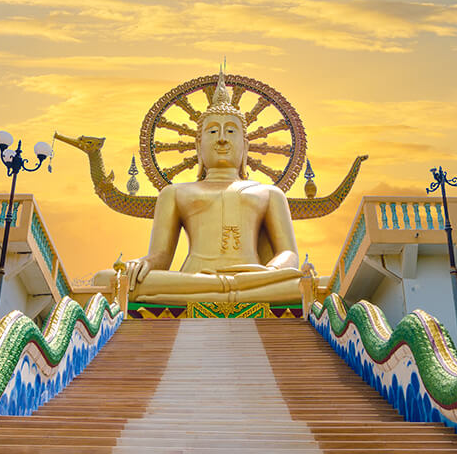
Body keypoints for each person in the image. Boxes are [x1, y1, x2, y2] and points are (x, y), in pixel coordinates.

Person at [92, 71, 302, 304]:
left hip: (254, 277)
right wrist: (143, 264)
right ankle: (229, 289)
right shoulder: (175, 193)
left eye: (231, 131)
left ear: (245, 145)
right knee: (108, 280)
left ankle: (225, 289)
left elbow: (289, 254)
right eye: (212, 132)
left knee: (306, 284)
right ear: (198, 145)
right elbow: (161, 256)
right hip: (194, 278)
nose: (222, 139)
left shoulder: (270, 193)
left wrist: (272, 272)